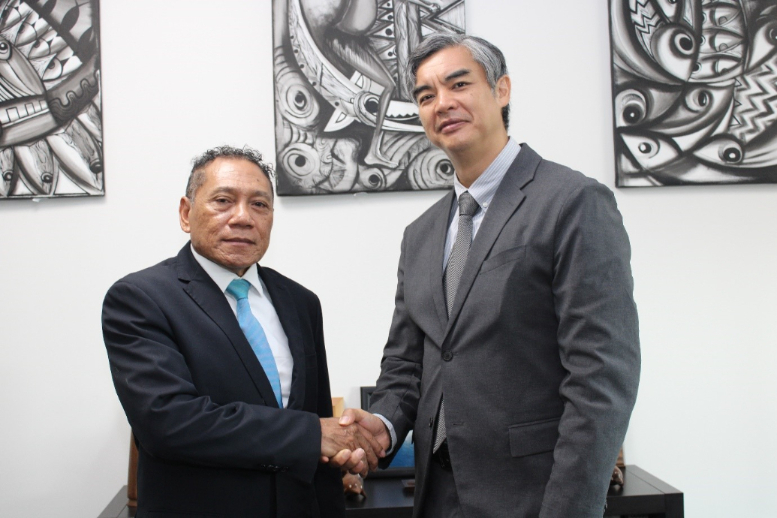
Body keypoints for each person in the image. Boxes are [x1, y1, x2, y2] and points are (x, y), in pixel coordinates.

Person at [339, 34, 641, 517]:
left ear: (501, 90)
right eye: (426, 95)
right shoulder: (420, 235)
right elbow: (405, 367)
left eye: (458, 83)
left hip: (536, 497)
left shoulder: (573, 202)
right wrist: (386, 426)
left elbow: (601, 379)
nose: (443, 103)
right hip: (436, 497)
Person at [102, 146, 383, 518]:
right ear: (186, 214)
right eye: (223, 200)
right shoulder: (141, 298)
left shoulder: (301, 302)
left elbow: (317, 425)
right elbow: (170, 423)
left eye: (259, 205)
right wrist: (313, 435)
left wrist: (343, 452)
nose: (243, 218)